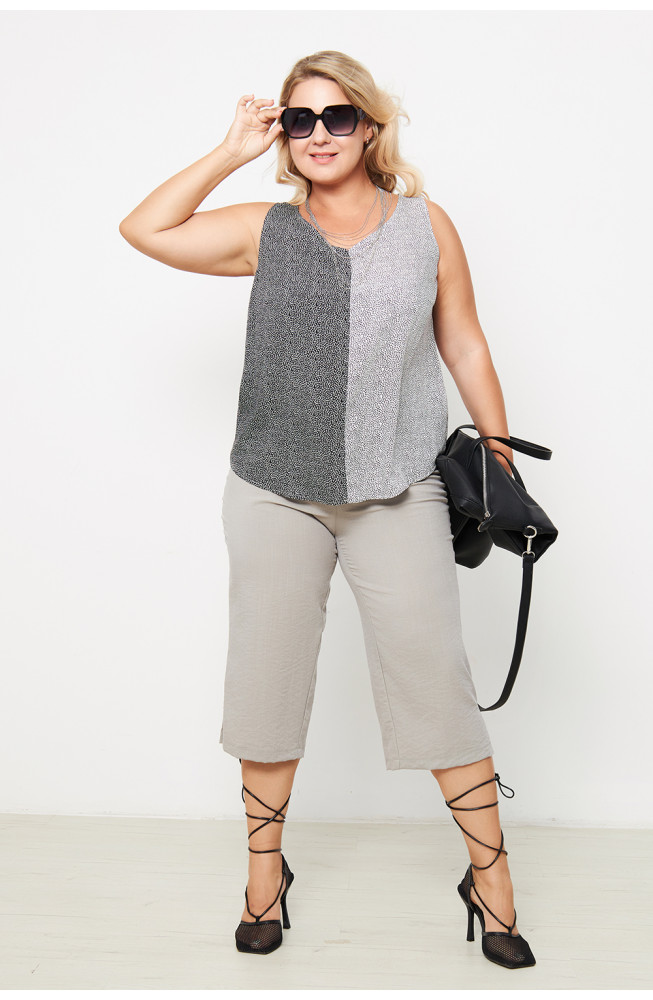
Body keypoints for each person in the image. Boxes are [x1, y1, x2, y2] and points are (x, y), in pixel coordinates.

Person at [118, 50, 535, 970]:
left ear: (370, 127)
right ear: (285, 133)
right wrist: (231, 149)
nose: (317, 134)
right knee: (266, 684)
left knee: (433, 680)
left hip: (399, 486)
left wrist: (499, 453)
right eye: (300, 119)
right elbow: (144, 228)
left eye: (336, 117)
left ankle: (491, 878)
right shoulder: (263, 231)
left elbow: (464, 341)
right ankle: (264, 877)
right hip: (274, 489)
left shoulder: (426, 226)